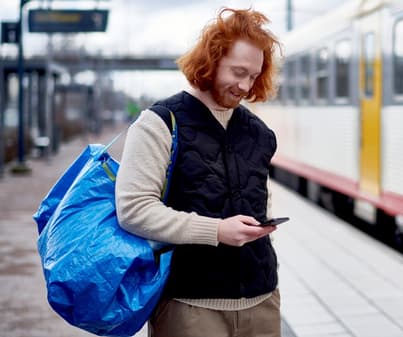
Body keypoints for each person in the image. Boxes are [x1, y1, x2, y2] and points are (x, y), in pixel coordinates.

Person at [115, 7, 282, 337]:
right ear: (212, 59)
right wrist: (216, 230)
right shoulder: (160, 123)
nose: (245, 86)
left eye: (253, 75)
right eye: (238, 72)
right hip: (189, 308)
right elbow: (133, 210)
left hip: (262, 303)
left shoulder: (260, 133)